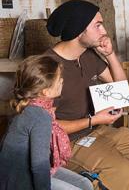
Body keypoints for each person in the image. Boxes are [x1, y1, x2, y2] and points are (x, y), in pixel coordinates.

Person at [45, 0, 129, 190]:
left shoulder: (87, 55)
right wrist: (93, 120)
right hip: (69, 142)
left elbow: (121, 89)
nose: (103, 31)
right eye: (98, 26)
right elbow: (46, 126)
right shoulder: (48, 67)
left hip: (96, 130)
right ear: (79, 30)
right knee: (127, 173)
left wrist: (110, 55)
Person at [0, 55, 93, 190]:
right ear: (46, 91)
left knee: (85, 184)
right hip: (19, 181)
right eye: (58, 80)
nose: (62, 81)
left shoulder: (31, 106)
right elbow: (39, 165)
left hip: (20, 172)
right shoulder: (39, 116)